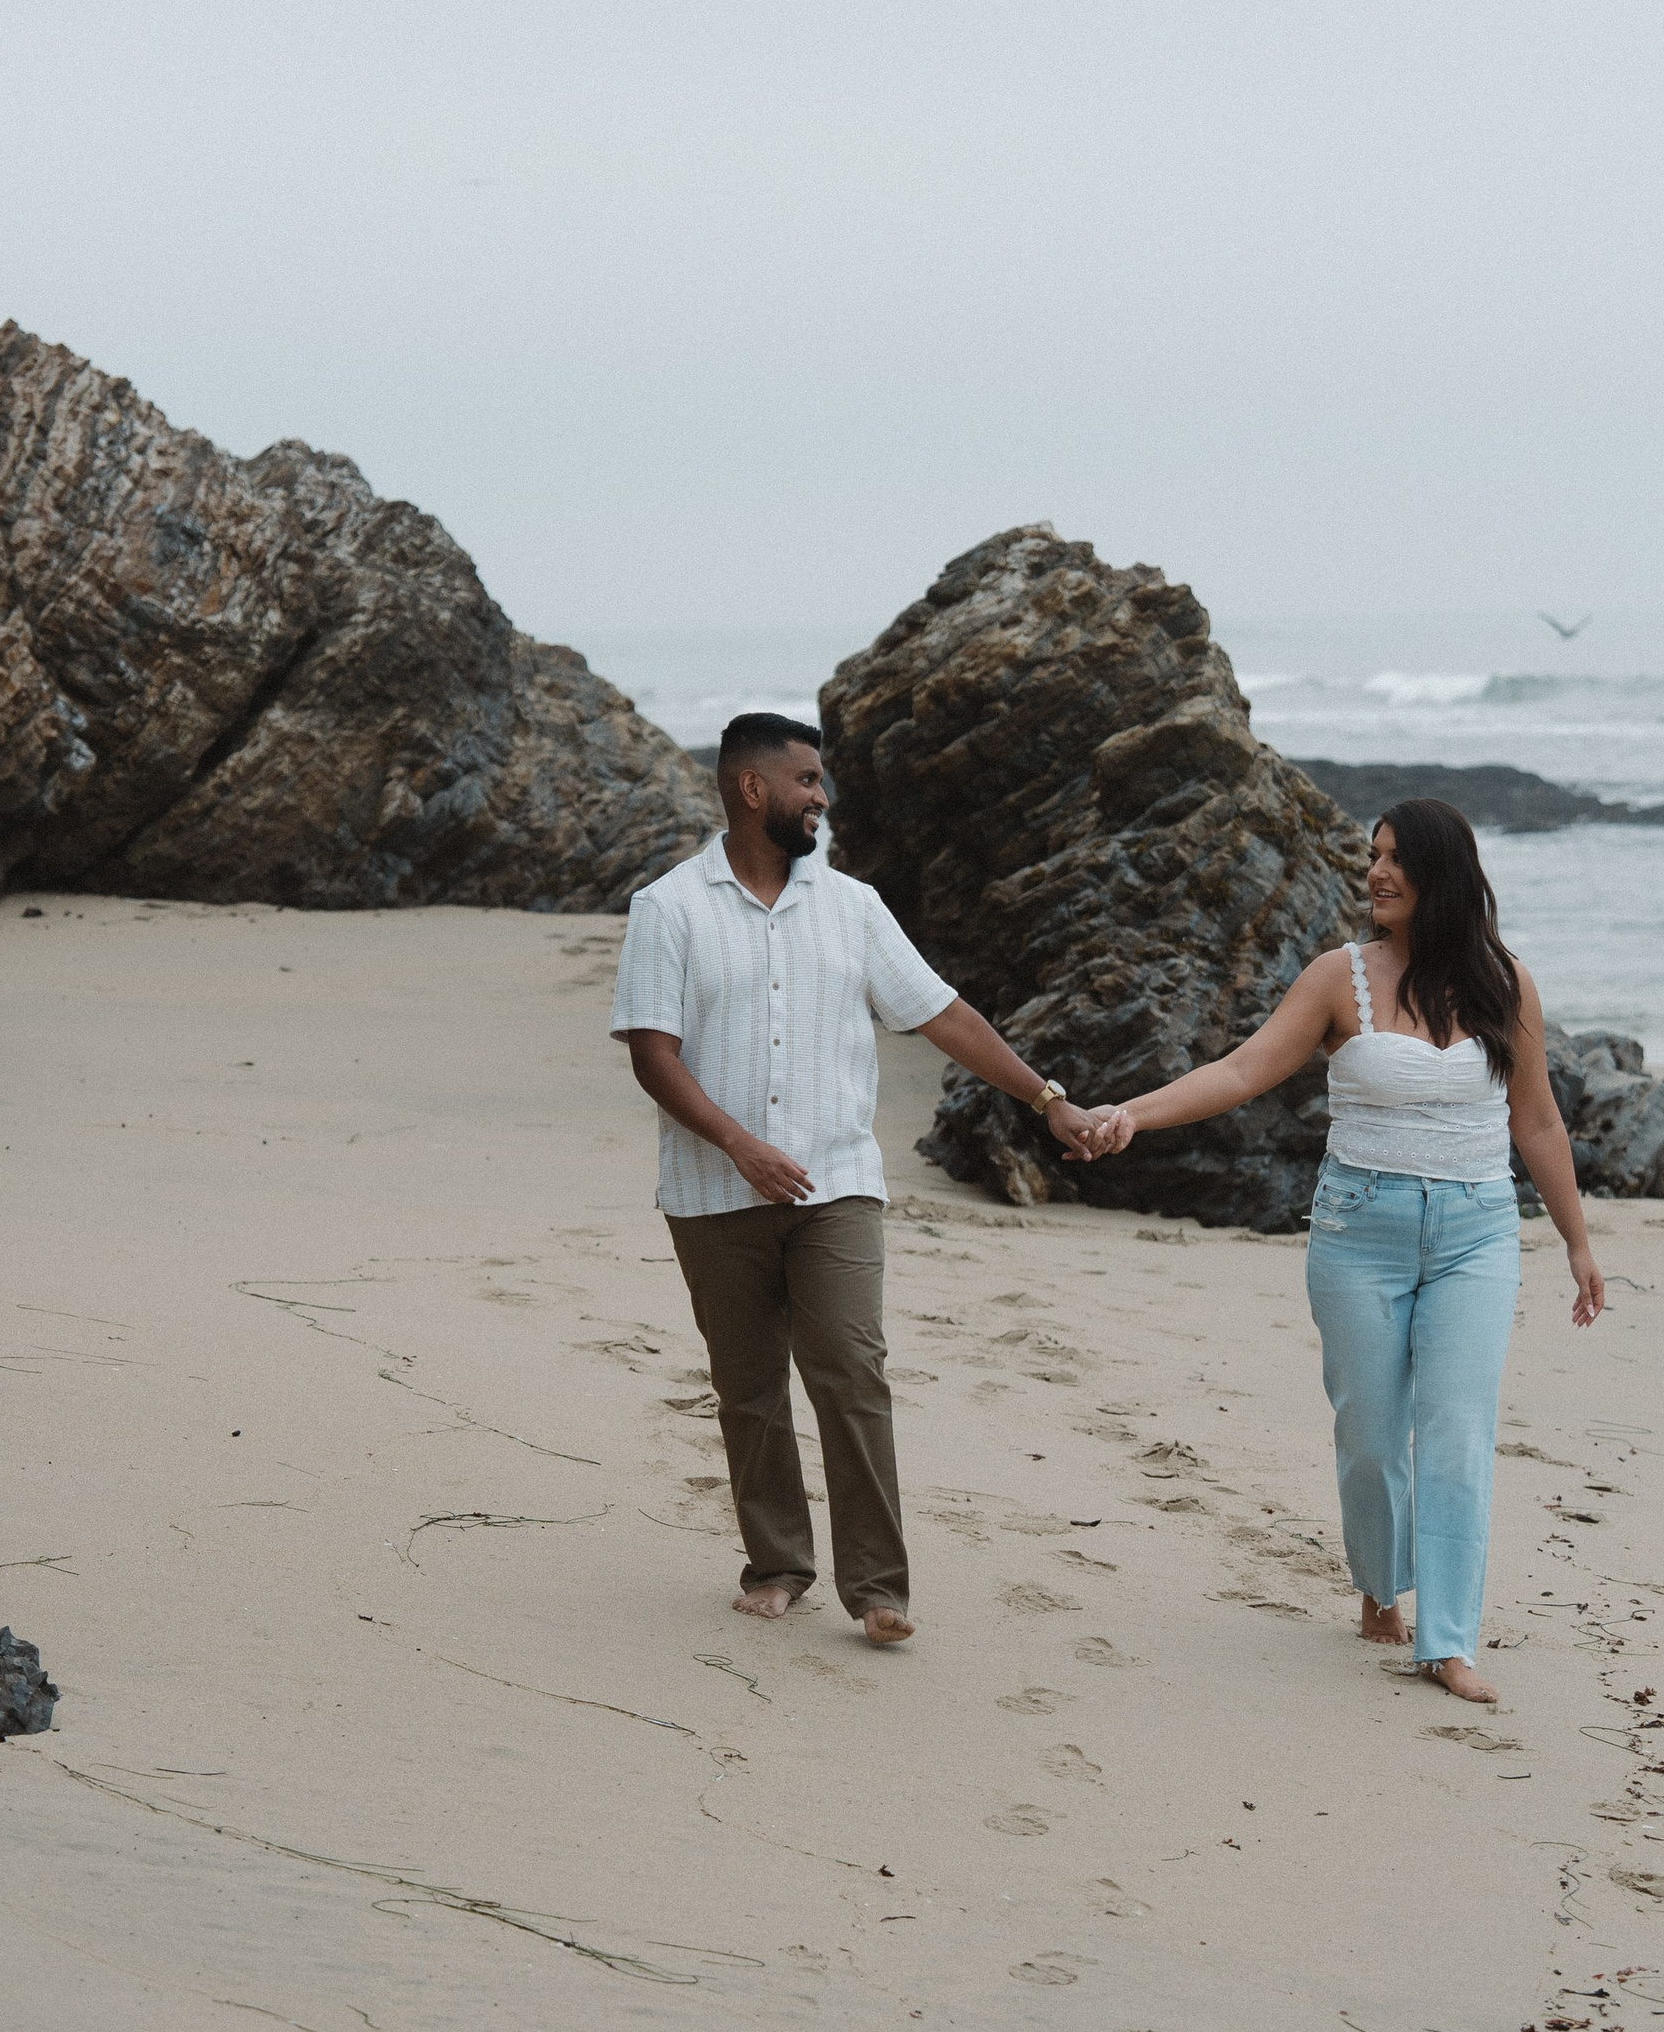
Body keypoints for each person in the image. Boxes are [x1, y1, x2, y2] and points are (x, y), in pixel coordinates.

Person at [1074, 798, 1602, 1702]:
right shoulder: (1338, 978)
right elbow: (1240, 1071)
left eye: (1398, 858)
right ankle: (1376, 1588)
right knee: (1368, 1435)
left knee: (1456, 1431)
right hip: (1361, 1233)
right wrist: (1133, 1114)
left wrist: (1577, 1243)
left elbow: (1538, 1119)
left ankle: (1445, 1640)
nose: (1378, 873)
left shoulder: (1505, 983)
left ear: (1446, 873)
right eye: (1373, 856)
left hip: (1478, 1233)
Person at [613, 712, 1098, 1646]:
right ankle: (778, 1565)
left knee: (851, 1371)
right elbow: (652, 1055)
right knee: (749, 1389)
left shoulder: (854, 907)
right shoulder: (668, 908)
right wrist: (737, 1143)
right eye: (805, 781)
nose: (821, 798)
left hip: (837, 1185)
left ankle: (877, 1586)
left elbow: (944, 1015)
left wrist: (1048, 1100)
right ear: (752, 790)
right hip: (714, 1198)